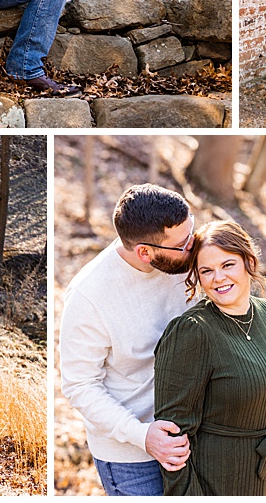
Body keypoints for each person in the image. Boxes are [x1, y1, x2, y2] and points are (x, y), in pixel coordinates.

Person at [59, 184, 195, 496]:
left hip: (191, 436)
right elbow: (79, 386)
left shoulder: (183, 258)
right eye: (183, 243)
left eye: (192, 233)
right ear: (145, 253)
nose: (193, 245)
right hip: (131, 456)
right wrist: (142, 435)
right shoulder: (89, 295)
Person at [153, 221, 266, 496]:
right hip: (212, 480)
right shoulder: (192, 331)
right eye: (206, 270)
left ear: (248, 262)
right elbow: (172, 437)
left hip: (261, 473)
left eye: (227, 265)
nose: (218, 278)